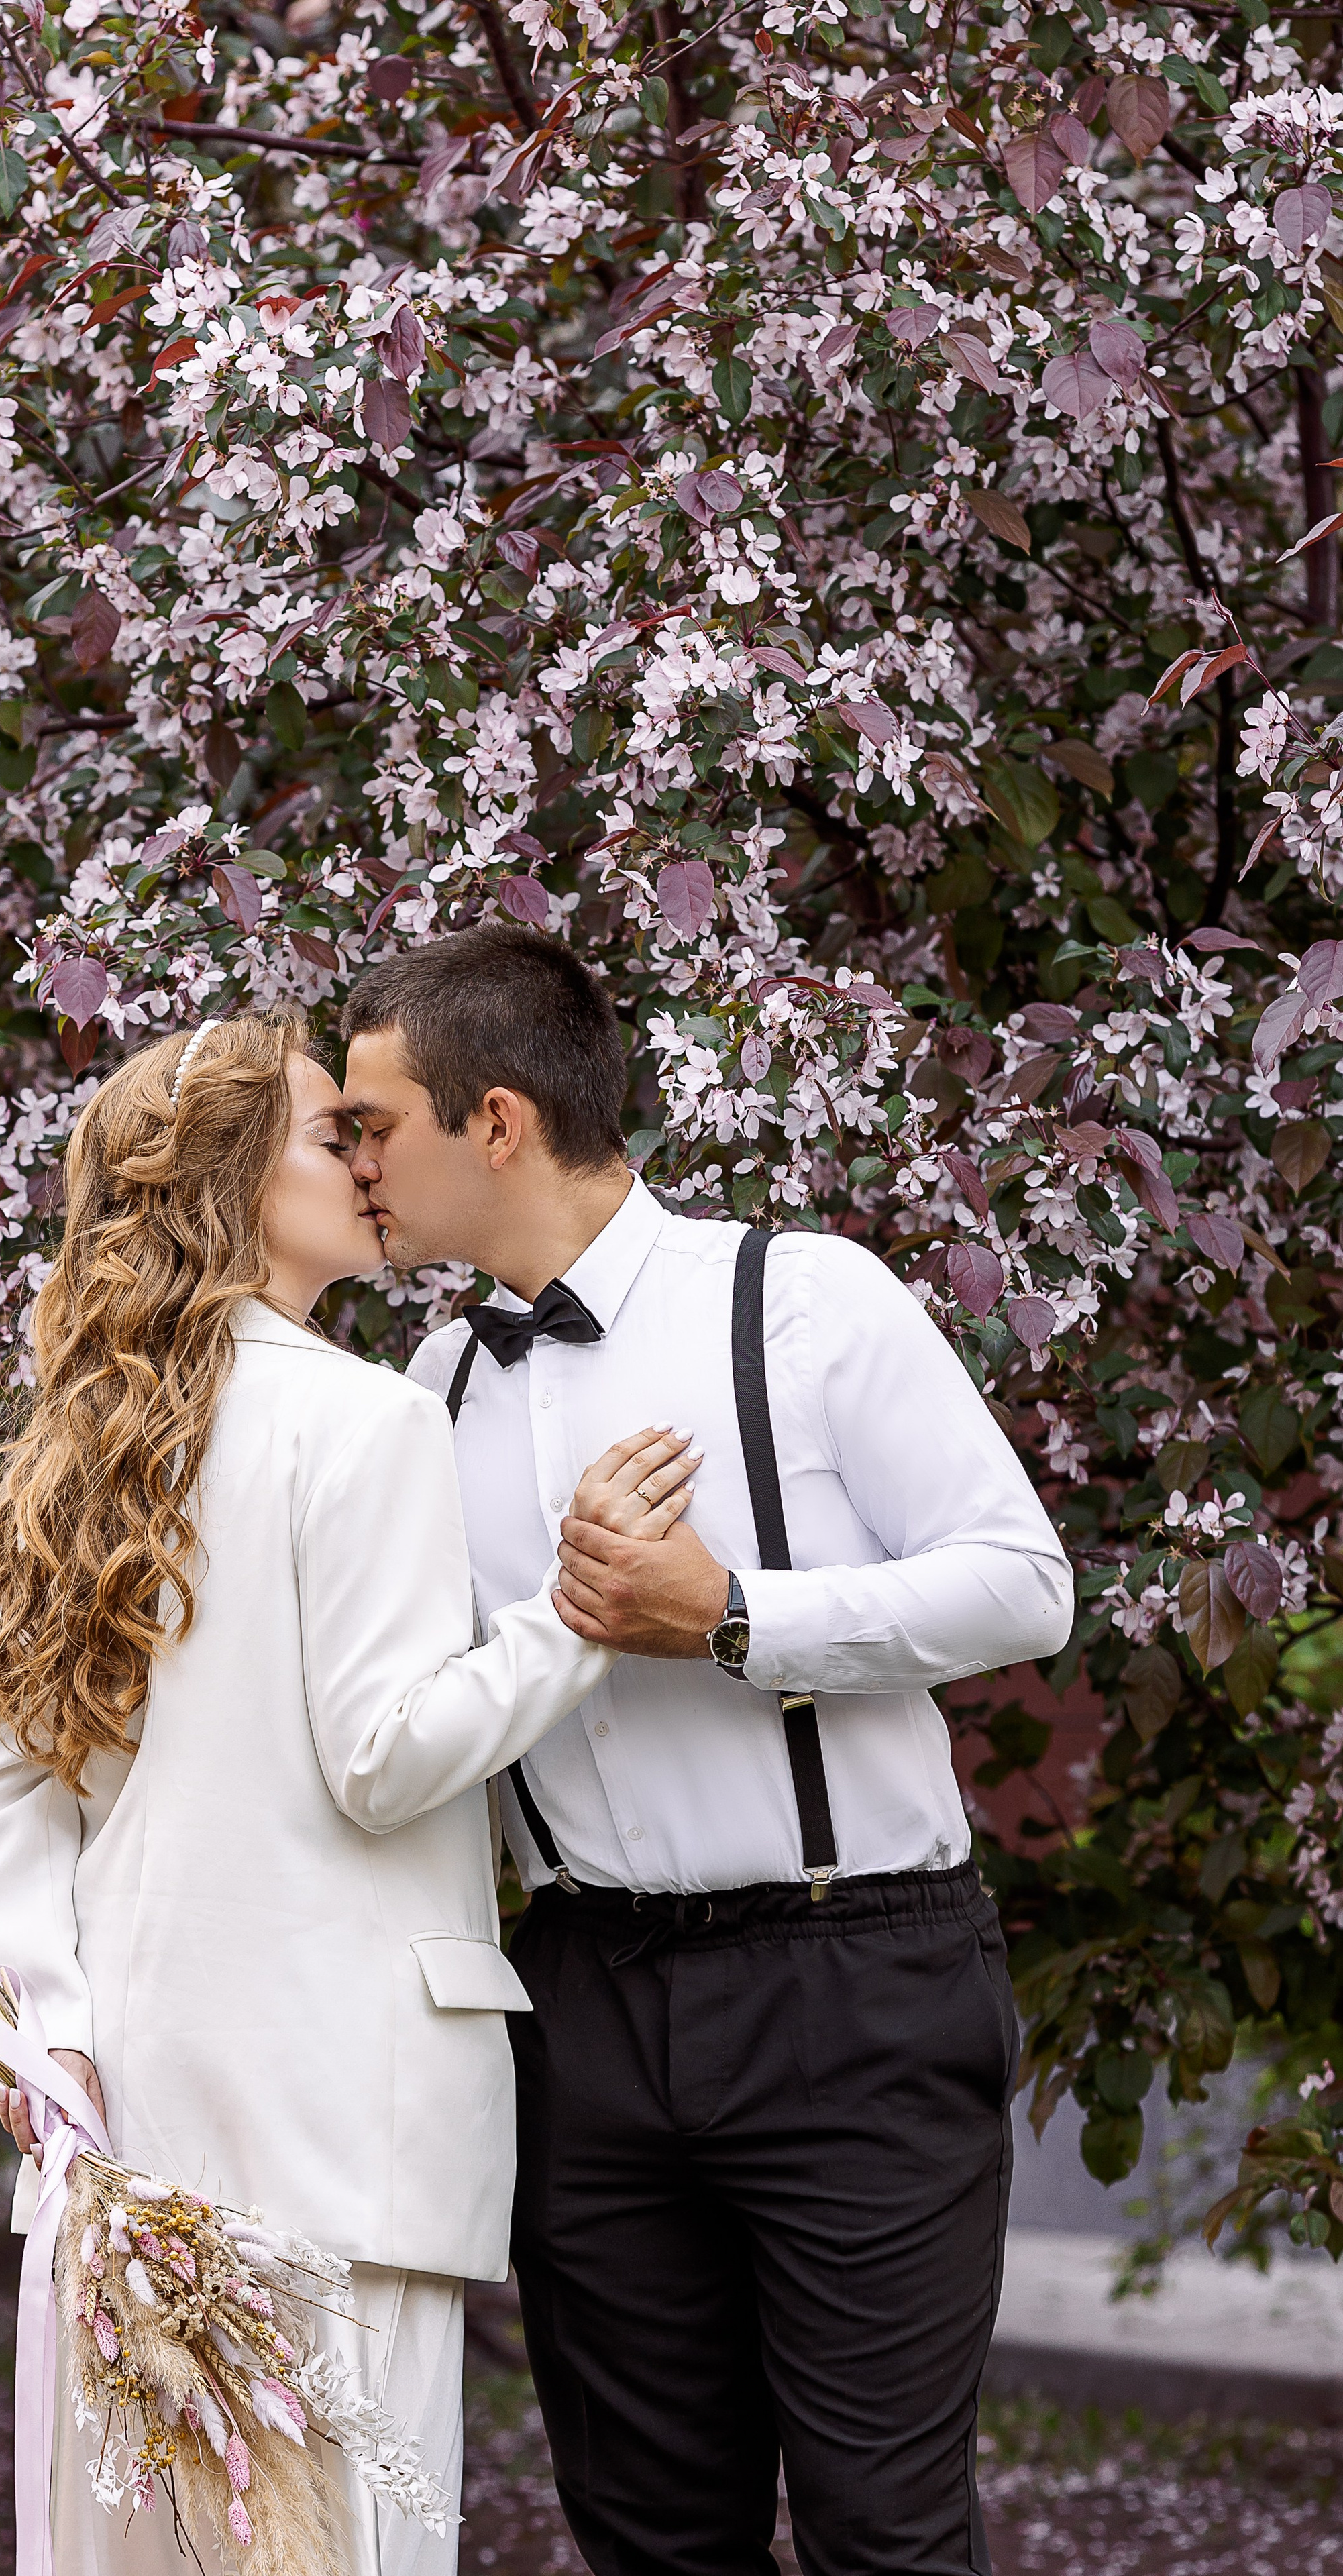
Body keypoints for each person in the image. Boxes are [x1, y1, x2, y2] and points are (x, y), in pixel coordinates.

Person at [340, 926, 1075, 2576]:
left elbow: (1023, 1585)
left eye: (373, 1124)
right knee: (650, 2539)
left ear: (499, 1122)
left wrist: (737, 1619)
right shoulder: (433, 1376)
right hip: (583, 2007)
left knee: (885, 2535)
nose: (351, 1162)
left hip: (849, 1987)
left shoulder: (801, 1299)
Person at [0, 1011, 696, 2576]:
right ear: (226, 1184)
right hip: (346, 2125)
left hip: (122, 2133)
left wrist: (46, 2035)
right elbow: (386, 1754)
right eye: (321, 1134)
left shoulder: (85, 1448)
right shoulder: (369, 1416)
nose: (363, 1160)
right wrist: (577, 1617)